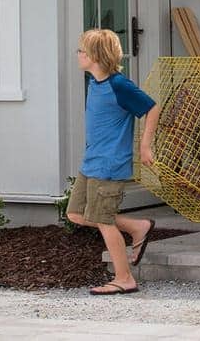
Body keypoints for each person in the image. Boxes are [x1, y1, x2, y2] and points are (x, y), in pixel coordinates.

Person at [66, 28, 161, 295]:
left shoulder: (119, 85)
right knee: (75, 214)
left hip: (109, 165)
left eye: (82, 50)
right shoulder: (94, 83)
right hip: (91, 162)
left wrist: (145, 146)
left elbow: (152, 108)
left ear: (95, 56)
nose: (78, 54)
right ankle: (136, 226)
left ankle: (124, 278)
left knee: (104, 220)